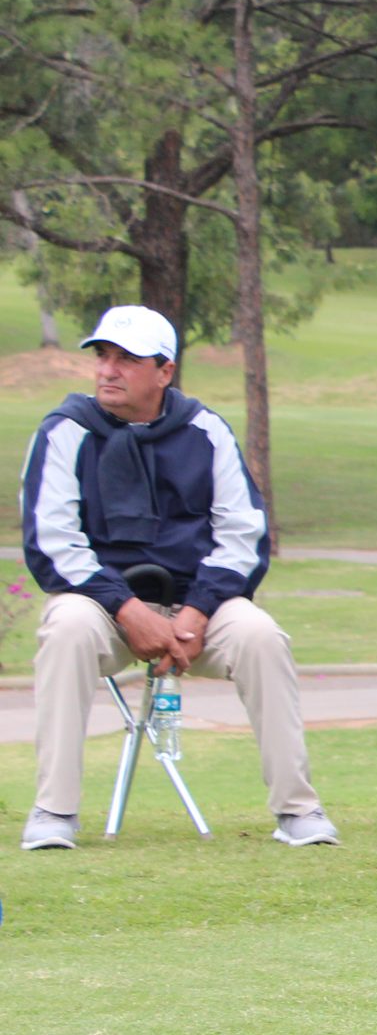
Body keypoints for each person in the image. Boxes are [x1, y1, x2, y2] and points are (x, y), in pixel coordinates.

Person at [18, 307, 336, 850]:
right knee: (65, 628)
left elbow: (243, 535)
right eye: (102, 357)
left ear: (165, 371)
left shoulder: (205, 431)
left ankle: (298, 810)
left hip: (198, 609)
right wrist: (127, 609)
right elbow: (52, 542)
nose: (107, 371)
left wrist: (197, 610)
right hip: (102, 610)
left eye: (127, 359)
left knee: (261, 637)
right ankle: (54, 810)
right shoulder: (64, 432)